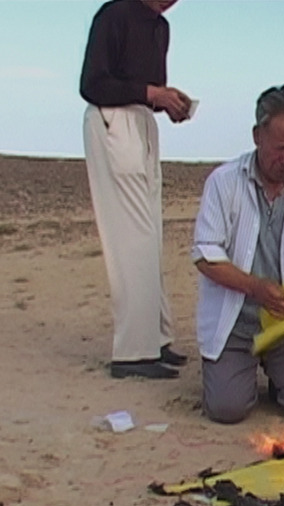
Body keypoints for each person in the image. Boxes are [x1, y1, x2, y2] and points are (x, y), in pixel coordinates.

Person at [192, 85, 284, 424]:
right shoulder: (224, 182)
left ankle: (279, 374)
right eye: (280, 148)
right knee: (227, 409)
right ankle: (233, 369)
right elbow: (204, 254)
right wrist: (256, 288)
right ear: (257, 136)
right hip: (234, 324)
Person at [80, 0, 191, 379]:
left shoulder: (160, 27)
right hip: (114, 122)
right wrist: (151, 94)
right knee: (132, 236)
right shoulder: (115, 14)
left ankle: (155, 339)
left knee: (150, 234)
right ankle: (132, 352)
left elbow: (146, 91)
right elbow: (93, 84)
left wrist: (167, 102)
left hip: (142, 124)